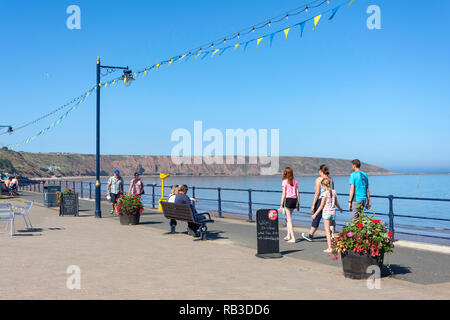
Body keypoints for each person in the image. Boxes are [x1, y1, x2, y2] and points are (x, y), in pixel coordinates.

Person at [302, 164, 336, 242]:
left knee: (317, 217)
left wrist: (313, 204)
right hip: (330, 200)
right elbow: (332, 190)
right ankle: (332, 236)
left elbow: (317, 193)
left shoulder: (318, 179)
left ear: (321, 171)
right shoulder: (331, 179)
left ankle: (310, 235)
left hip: (321, 199)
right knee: (330, 218)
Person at [311, 179, 343, 253]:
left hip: (326, 213)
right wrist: (340, 208)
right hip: (333, 213)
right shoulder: (334, 192)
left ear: (323, 185)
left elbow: (321, 205)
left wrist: (315, 214)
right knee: (331, 231)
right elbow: (336, 202)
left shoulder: (324, 194)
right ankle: (334, 244)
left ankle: (329, 248)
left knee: (327, 231)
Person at [279, 167, 300, 243]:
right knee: (287, 218)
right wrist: (298, 204)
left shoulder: (284, 182)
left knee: (289, 220)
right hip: (294, 201)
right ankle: (288, 235)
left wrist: (281, 205)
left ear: (285, 173)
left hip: (288, 200)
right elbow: (297, 193)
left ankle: (293, 238)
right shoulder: (295, 181)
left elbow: (283, 194)